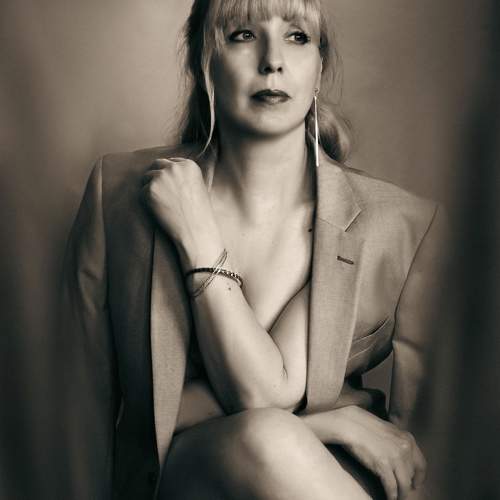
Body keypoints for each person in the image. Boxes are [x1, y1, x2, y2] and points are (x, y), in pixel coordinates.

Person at [60, 0, 449, 498]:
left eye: (297, 37)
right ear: (203, 61)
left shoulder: (401, 224)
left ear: (320, 67)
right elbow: (78, 406)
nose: (273, 61)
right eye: (243, 35)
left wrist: (309, 431)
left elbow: (420, 454)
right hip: (185, 484)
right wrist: (332, 421)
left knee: (270, 437)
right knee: (265, 437)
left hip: (337, 483)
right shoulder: (117, 194)